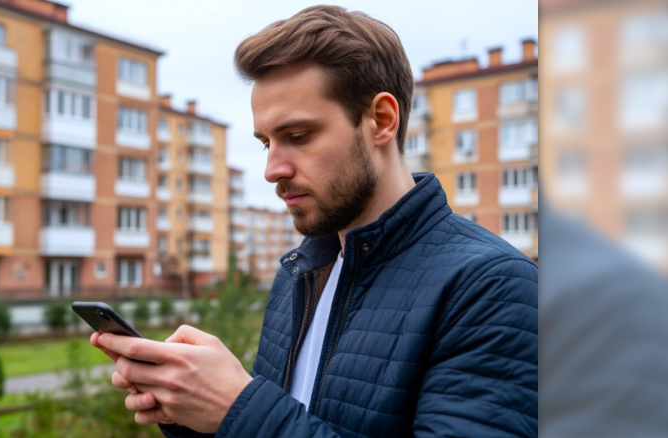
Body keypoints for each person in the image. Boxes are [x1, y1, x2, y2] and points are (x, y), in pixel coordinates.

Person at [90, 5, 537, 437]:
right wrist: (198, 414)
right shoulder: (298, 274)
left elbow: (263, 421)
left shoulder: (493, 287)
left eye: (297, 137)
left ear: (381, 120)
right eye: (266, 142)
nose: (272, 170)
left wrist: (238, 409)